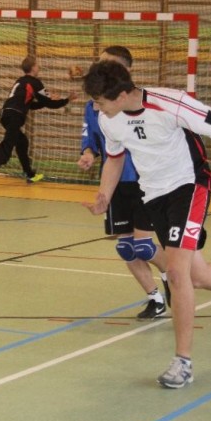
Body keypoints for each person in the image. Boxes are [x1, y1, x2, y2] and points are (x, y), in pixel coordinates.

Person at [82, 60, 211, 389]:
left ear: (122, 95)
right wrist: (103, 196)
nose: (96, 108)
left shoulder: (171, 103)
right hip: (153, 194)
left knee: (177, 273)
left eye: (100, 101)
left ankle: (183, 362)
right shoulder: (108, 119)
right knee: (197, 276)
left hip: (189, 186)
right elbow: (115, 157)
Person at [77, 46, 170, 319]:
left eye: (109, 65)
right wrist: (88, 153)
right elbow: (92, 139)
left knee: (143, 246)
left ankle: (172, 276)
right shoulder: (94, 106)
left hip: (145, 181)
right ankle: (155, 298)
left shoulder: (142, 104)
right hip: (116, 183)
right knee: (126, 247)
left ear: (126, 71)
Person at [0, 56, 77, 189]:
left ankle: (29, 174)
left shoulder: (20, 81)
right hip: (15, 116)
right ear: (33, 68)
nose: (39, 67)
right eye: (37, 65)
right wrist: (67, 99)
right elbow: (50, 103)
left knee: (22, 142)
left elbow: (31, 105)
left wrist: (48, 101)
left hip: (5, 114)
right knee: (7, 146)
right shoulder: (36, 83)